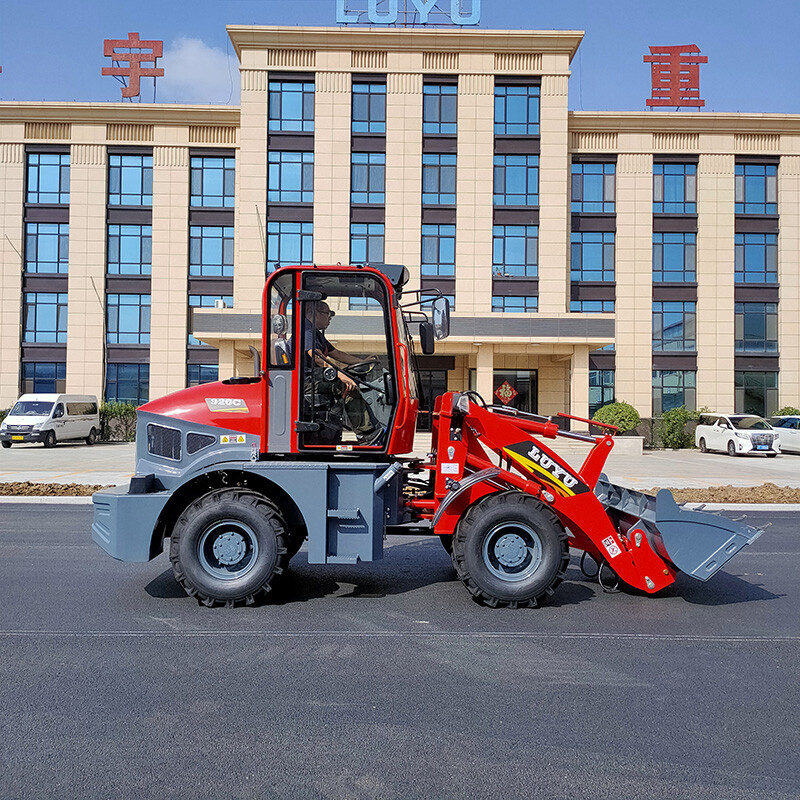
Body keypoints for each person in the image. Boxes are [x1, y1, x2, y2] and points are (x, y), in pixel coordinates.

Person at [304, 301, 382, 444]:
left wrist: (362, 361)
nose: (330, 318)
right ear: (315, 313)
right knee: (347, 386)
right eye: (328, 314)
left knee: (348, 380)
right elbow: (316, 356)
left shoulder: (315, 334)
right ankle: (365, 434)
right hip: (306, 382)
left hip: (315, 379)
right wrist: (340, 375)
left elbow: (337, 354)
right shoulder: (306, 331)